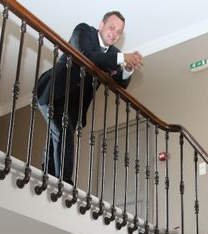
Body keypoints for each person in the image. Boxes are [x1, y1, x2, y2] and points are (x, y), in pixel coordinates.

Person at [36, 11, 143, 185]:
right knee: (63, 132)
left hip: (74, 105)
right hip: (54, 93)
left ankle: (48, 175)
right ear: (101, 25)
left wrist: (128, 68)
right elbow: (87, 55)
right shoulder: (84, 31)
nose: (114, 33)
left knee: (57, 135)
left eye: (119, 31)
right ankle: (65, 183)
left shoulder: (114, 53)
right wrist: (123, 57)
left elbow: (120, 84)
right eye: (112, 27)